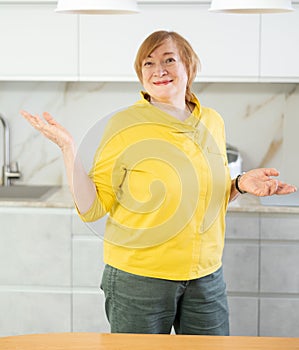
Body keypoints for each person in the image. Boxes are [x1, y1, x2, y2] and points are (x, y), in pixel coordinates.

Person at [20, 30, 296, 336]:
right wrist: (68, 149)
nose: (159, 70)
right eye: (148, 63)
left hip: (205, 277)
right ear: (140, 74)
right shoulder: (124, 125)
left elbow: (203, 197)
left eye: (169, 60)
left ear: (189, 66)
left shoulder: (211, 121)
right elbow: (93, 208)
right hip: (139, 278)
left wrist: (240, 183)